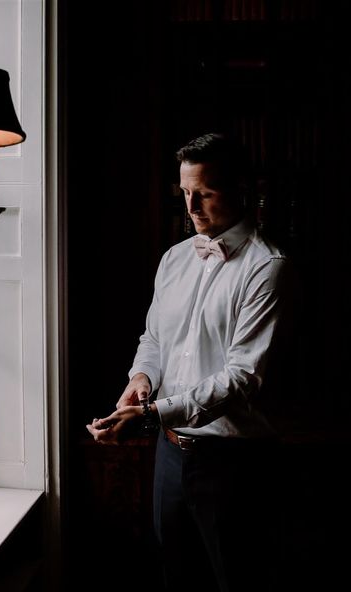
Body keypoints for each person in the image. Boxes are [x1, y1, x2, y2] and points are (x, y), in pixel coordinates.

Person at [86, 132, 292, 592]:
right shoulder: (173, 259)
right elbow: (154, 338)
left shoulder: (267, 266)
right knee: (177, 580)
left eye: (206, 193)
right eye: (185, 193)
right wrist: (141, 380)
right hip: (170, 455)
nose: (192, 207)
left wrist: (152, 411)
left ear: (243, 190)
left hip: (235, 462)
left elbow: (242, 377)